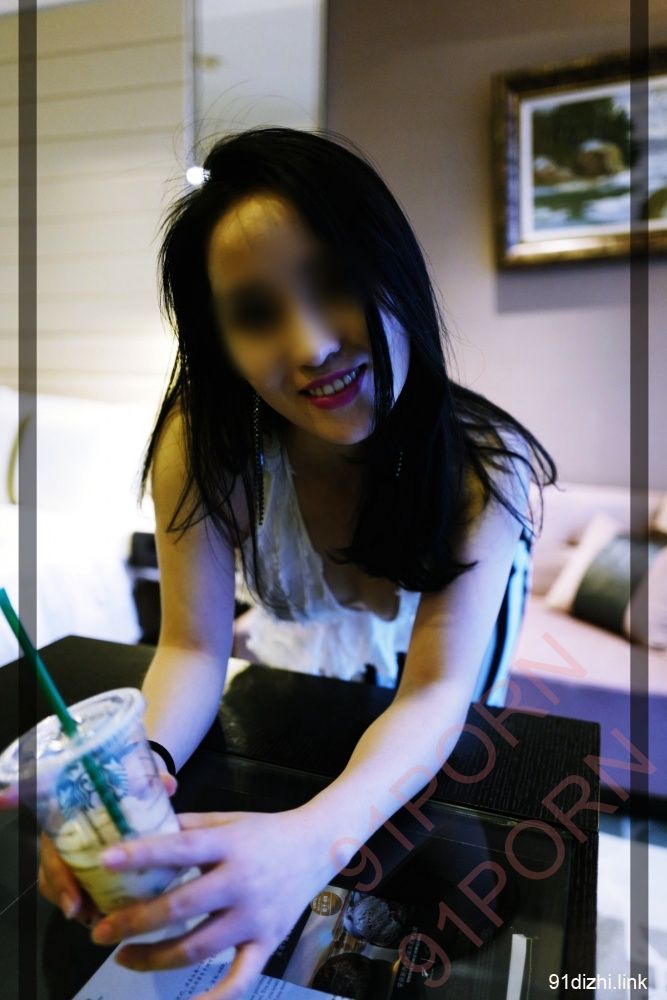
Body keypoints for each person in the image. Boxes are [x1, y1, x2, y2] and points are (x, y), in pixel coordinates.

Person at [4, 127, 557, 1000]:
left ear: (394, 271)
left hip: (441, 676)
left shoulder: (485, 472)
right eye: (258, 314)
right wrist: (138, 770)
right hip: (310, 668)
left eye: (333, 284)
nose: (309, 348)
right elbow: (191, 646)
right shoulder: (205, 449)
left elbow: (434, 693)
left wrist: (311, 840)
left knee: (435, 868)